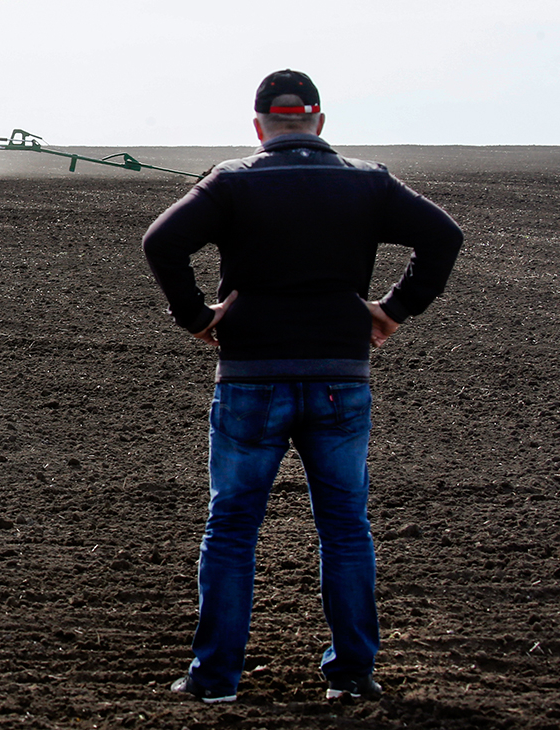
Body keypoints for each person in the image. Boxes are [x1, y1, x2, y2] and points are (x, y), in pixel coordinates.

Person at [142, 69, 462, 704]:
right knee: (345, 526)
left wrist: (199, 317)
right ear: (318, 122)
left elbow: (162, 241)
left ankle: (214, 681)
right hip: (341, 378)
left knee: (231, 526)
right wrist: (394, 309)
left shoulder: (233, 180)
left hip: (250, 379)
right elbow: (443, 236)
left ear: (260, 126)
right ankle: (353, 676)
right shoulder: (367, 181)